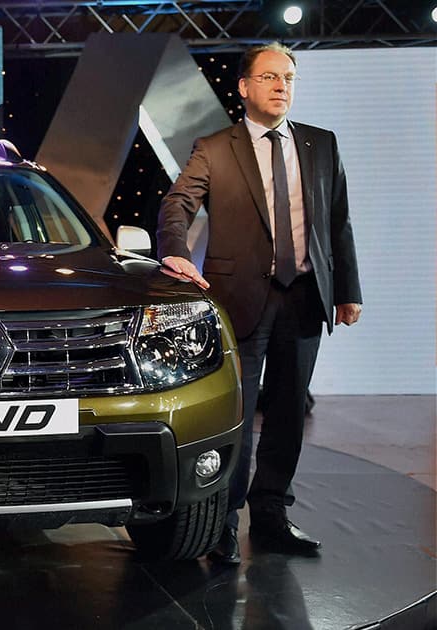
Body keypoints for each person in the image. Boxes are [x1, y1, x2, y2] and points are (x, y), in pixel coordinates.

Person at [156, 42, 362, 564]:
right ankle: (222, 521)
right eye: (270, 76)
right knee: (237, 417)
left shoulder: (321, 144)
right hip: (239, 299)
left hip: (305, 298)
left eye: (289, 77)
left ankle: (271, 513)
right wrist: (175, 253)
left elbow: (338, 222)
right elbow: (178, 202)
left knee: (290, 412)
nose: (281, 86)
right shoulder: (215, 147)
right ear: (243, 86)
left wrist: (348, 291)